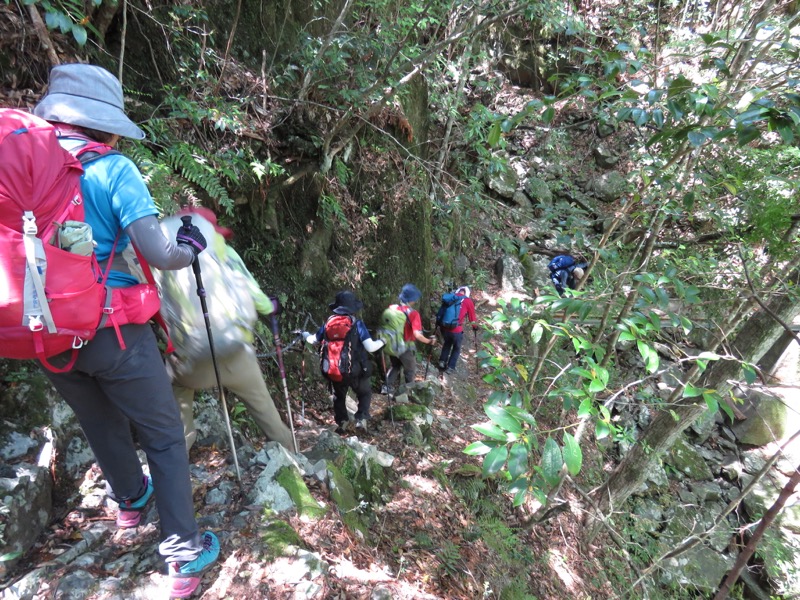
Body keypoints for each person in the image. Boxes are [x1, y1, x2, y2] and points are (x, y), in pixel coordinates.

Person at [33, 64, 219, 599]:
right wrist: (192, 246)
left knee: (100, 423)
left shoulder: (21, 170)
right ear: (106, 125)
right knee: (161, 435)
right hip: (112, 328)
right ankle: (183, 554)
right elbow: (159, 254)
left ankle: (130, 501)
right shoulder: (113, 169)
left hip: (44, 332)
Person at [161, 207, 295, 453]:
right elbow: (258, 299)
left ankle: (177, 457)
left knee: (177, 394)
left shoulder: (163, 260)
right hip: (233, 349)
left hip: (190, 360)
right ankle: (292, 458)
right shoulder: (225, 254)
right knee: (263, 406)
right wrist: (271, 306)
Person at [304, 291, 384, 434]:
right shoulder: (357, 324)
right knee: (364, 393)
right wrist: (382, 341)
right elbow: (370, 347)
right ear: (353, 308)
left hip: (334, 370)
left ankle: (342, 422)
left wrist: (304, 335)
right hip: (355, 371)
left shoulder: (329, 322)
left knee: (339, 396)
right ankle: (360, 419)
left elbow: (313, 340)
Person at [383, 284, 436, 391]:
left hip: (391, 344)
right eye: (414, 299)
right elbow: (417, 335)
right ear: (411, 299)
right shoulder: (413, 314)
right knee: (410, 369)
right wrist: (429, 341)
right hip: (405, 347)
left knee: (395, 366)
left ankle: (386, 388)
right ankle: (409, 391)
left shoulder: (392, 308)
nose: (415, 301)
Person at [437, 286, 478, 374]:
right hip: (456, 329)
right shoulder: (468, 301)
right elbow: (472, 318)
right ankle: (450, 367)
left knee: (447, 342)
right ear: (467, 293)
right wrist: (475, 327)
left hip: (444, 327)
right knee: (457, 347)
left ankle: (442, 361)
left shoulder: (450, 297)